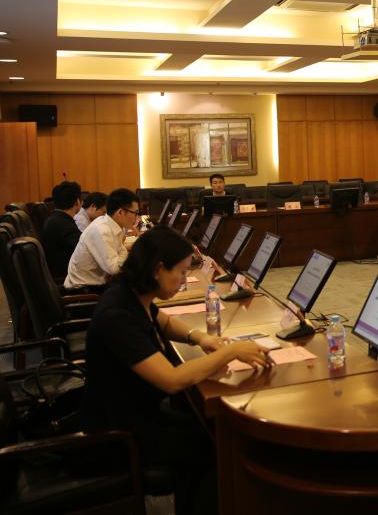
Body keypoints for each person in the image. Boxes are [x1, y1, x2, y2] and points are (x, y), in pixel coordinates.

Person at [81, 225, 271, 514]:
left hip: (136, 410)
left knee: (205, 425)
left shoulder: (131, 295)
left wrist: (199, 337)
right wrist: (231, 352)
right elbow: (171, 380)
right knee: (217, 446)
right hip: (119, 435)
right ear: (158, 269)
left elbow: (165, 322)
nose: (183, 281)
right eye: (181, 273)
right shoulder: (118, 316)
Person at [65, 188, 140, 293]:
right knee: (136, 289)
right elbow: (114, 269)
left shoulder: (111, 225)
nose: (137, 218)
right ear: (120, 212)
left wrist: (123, 252)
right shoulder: (102, 230)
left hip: (96, 284)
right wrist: (127, 252)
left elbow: (120, 253)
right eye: (135, 213)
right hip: (83, 290)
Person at [41, 180, 82, 285]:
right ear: (77, 201)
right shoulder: (64, 224)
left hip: (61, 275)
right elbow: (84, 248)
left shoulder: (56, 219)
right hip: (67, 279)